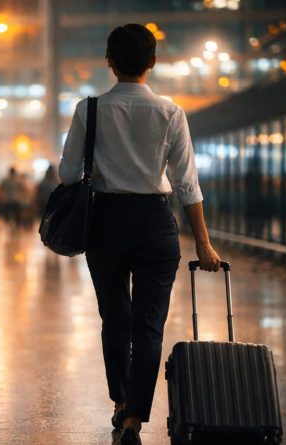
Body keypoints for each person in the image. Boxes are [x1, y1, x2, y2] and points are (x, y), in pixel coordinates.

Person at [58, 24, 221, 445]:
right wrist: (202, 241)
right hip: (155, 224)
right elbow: (187, 184)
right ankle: (134, 419)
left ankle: (119, 401)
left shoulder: (88, 109)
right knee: (149, 326)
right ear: (153, 62)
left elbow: (67, 173)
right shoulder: (171, 113)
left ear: (109, 61)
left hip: (106, 224)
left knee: (115, 317)